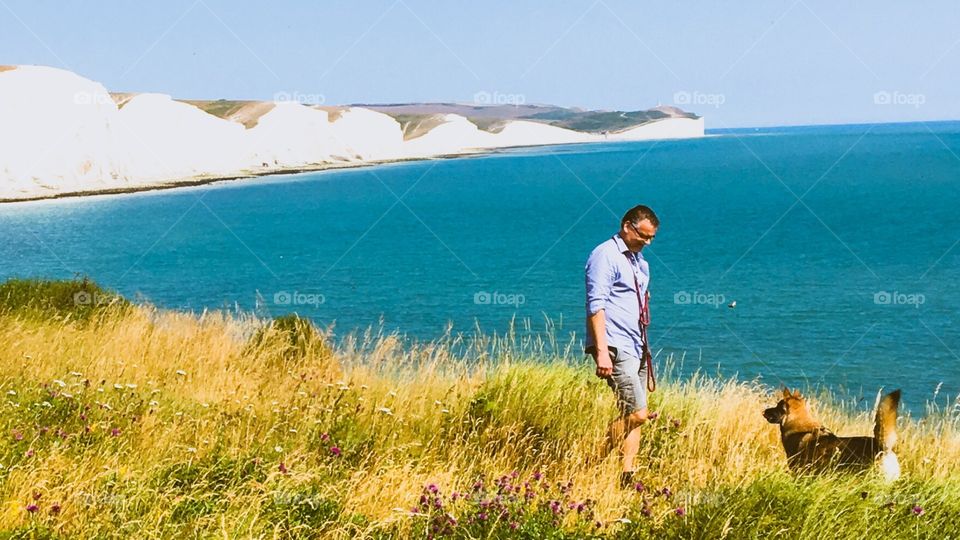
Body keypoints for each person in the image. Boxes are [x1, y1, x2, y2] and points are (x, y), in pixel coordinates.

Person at [584, 204, 658, 488]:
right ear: (627, 226)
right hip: (614, 344)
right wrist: (602, 351)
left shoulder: (640, 262)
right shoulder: (605, 255)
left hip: (637, 344)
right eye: (643, 235)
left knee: (635, 414)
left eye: (652, 237)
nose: (647, 242)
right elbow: (596, 304)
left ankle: (627, 477)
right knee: (637, 414)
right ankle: (589, 461)